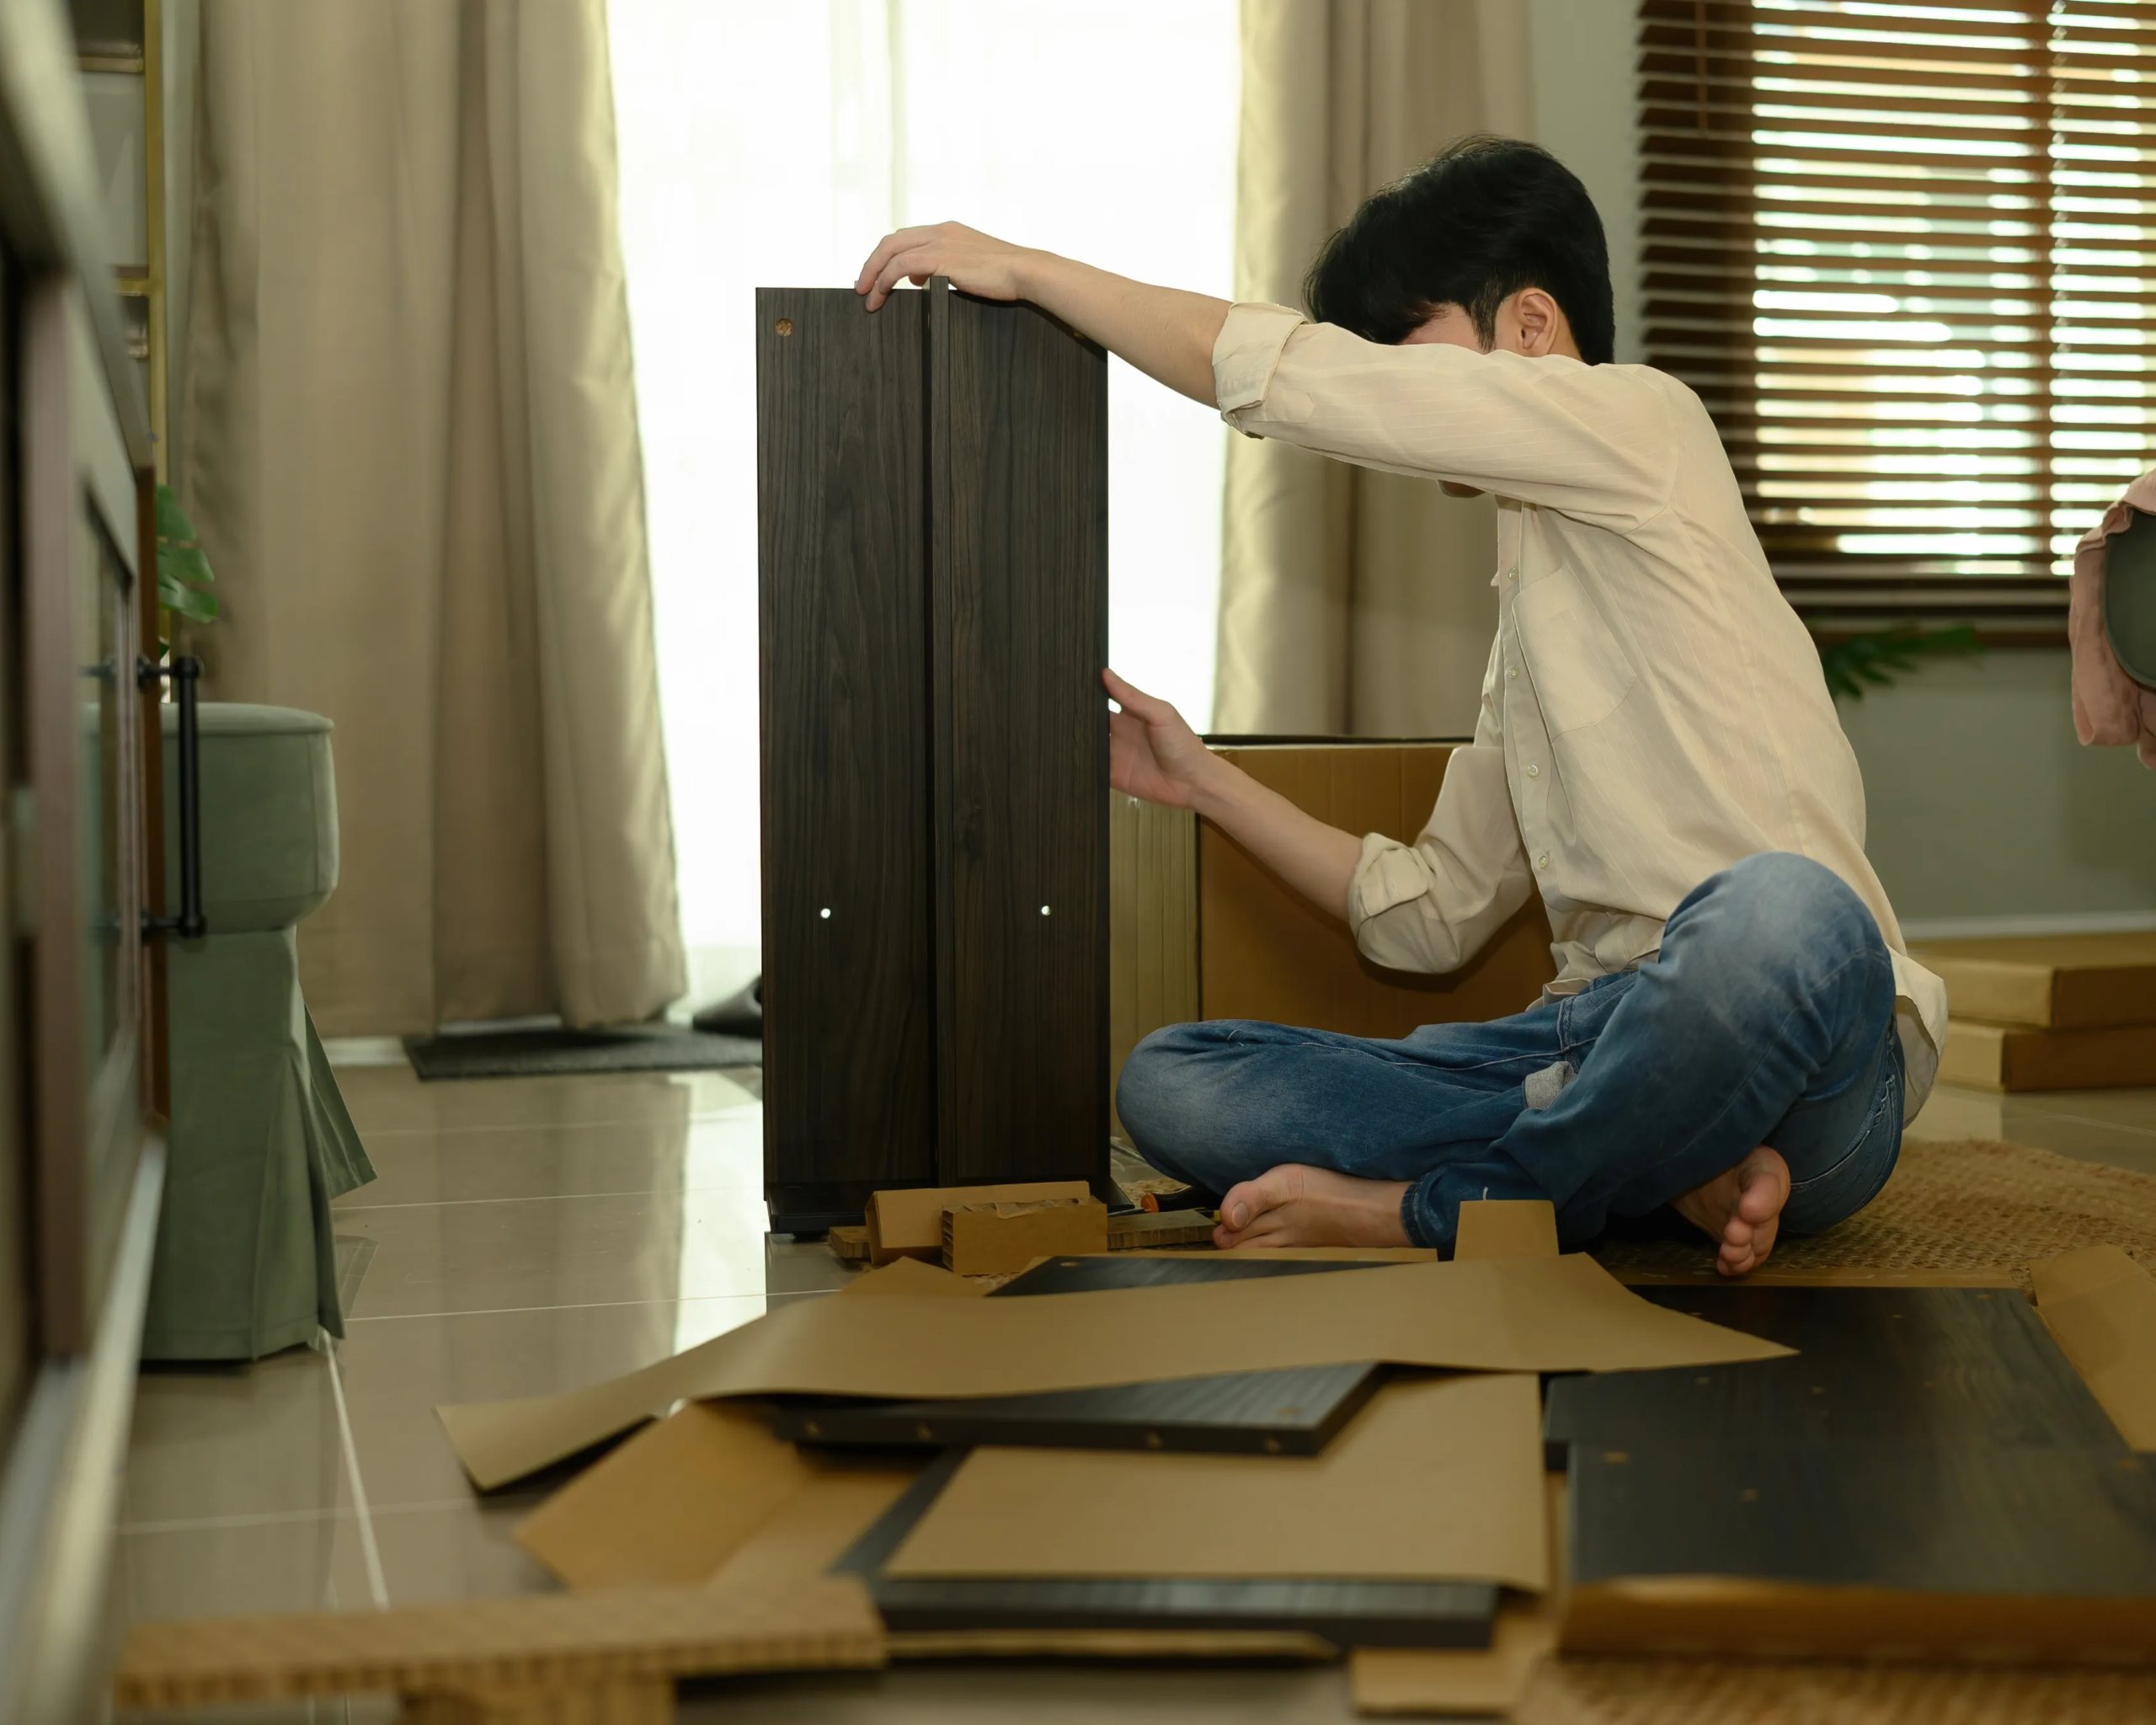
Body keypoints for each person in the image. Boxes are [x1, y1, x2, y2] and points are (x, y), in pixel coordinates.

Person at [856, 136, 1947, 1277]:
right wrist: (1201, 782)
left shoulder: (1648, 423)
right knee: (1179, 1080)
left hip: (1813, 1055)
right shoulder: (1526, 621)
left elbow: (1293, 377)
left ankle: (1444, 1209)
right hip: (1586, 1044)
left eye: (1408, 354)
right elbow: (1429, 914)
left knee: (1786, 914)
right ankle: (1659, 1159)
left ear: (1530, 326)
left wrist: (1032, 270)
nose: (1396, 397)